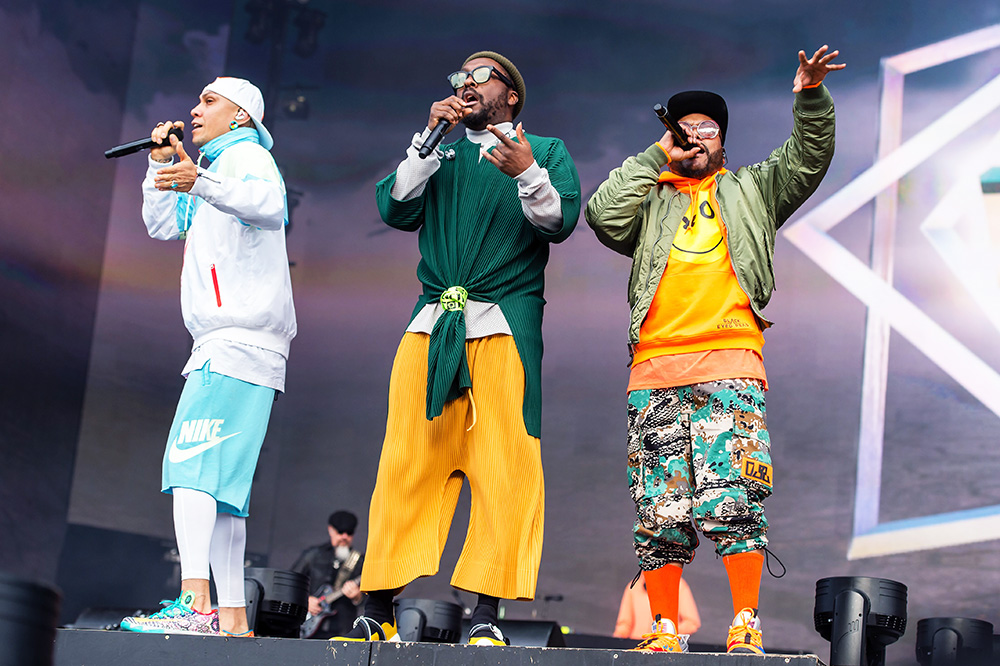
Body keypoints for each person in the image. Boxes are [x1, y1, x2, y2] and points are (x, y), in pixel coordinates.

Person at [585, 46, 844, 654]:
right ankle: (666, 629)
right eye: (686, 128)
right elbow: (600, 215)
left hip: (730, 368)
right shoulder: (652, 200)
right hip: (654, 373)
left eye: (709, 129)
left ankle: (745, 623)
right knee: (660, 511)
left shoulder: (753, 189)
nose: (697, 136)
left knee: (735, 499)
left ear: (725, 140)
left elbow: (810, 156)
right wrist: (656, 159)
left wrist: (810, 95)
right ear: (671, 136)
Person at [339, 51, 581, 646]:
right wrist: (426, 138)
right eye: (460, 77)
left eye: (481, 76)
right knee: (405, 461)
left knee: (504, 469)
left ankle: (486, 616)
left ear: (512, 96)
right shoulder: (439, 150)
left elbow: (560, 220)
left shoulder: (545, 151)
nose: (467, 84)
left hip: (504, 329)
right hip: (431, 327)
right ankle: (377, 604)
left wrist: (525, 169)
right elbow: (394, 206)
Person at [120, 77, 295, 638]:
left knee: (191, 462)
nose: (194, 110)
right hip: (233, 343)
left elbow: (271, 206)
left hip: (236, 339)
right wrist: (161, 167)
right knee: (222, 491)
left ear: (241, 115)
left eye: (208, 101)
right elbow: (162, 224)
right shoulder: (217, 169)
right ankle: (233, 618)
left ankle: (194, 604)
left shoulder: (247, 157)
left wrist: (201, 177)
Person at [290, 511, 365, 638]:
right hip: (309, 629)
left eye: (349, 533)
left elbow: (371, 600)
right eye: (340, 532)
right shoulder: (313, 555)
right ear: (331, 530)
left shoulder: (361, 561)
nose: (344, 537)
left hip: (342, 629)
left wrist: (358, 597)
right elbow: (291, 582)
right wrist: (305, 600)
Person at [614, 574, 700, 640]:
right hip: (637, 646)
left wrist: (666, 633)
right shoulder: (633, 586)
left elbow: (691, 623)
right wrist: (615, 643)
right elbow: (624, 625)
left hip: (665, 646)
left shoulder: (678, 584)